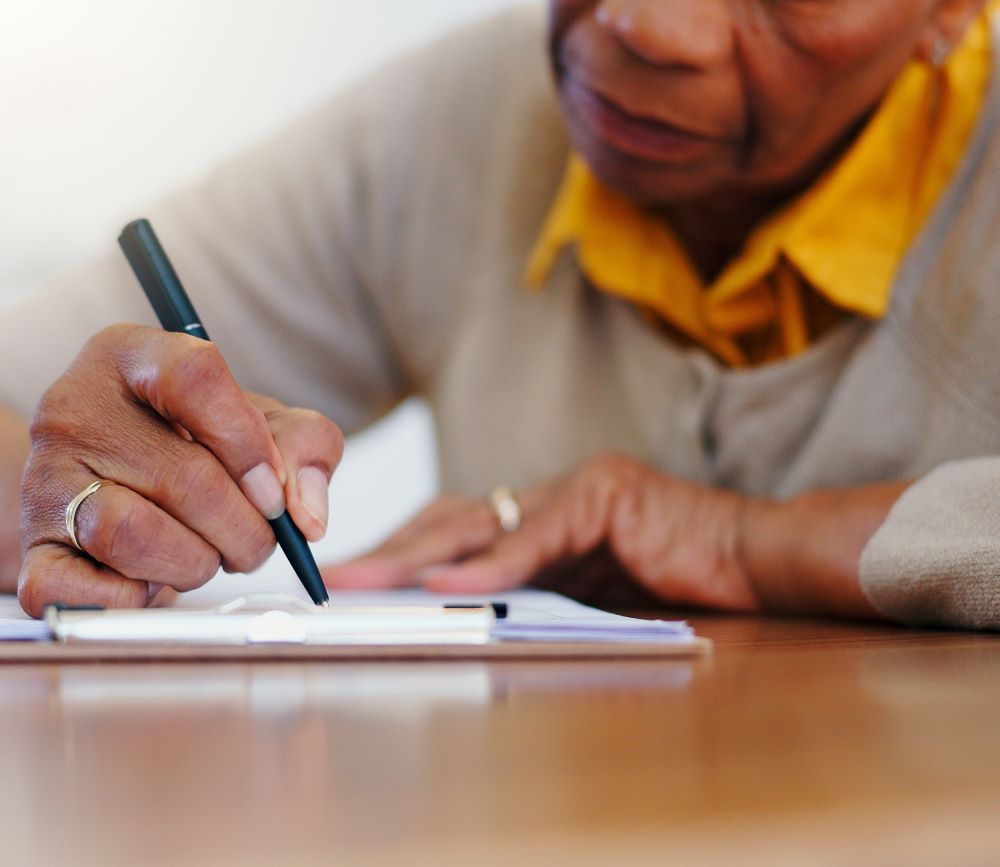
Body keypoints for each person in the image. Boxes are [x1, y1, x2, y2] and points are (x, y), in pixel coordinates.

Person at [2, 0, 999, 628]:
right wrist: (67, 487)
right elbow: (28, 401)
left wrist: (744, 542)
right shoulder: (467, 115)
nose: (646, 25)